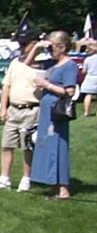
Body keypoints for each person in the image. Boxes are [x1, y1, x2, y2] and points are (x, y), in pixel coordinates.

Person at [0, 29, 43, 192]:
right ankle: (4, 178)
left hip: (31, 109)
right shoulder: (15, 62)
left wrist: (37, 48)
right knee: (6, 145)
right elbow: (6, 86)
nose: (22, 48)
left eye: (25, 45)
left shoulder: (42, 63)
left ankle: (26, 178)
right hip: (14, 109)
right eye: (21, 45)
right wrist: (3, 108)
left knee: (27, 147)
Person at [30, 31, 77, 199]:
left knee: (58, 146)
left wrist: (47, 85)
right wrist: (37, 47)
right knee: (47, 146)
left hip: (57, 113)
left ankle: (63, 188)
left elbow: (69, 91)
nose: (49, 51)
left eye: (52, 48)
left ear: (62, 47)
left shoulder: (69, 65)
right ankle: (53, 183)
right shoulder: (53, 63)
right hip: (47, 113)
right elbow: (28, 63)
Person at [80, 41, 97, 117]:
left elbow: (84, 71)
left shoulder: (87, 59)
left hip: (90, 77)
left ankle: (86, 112)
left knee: (88, 95)